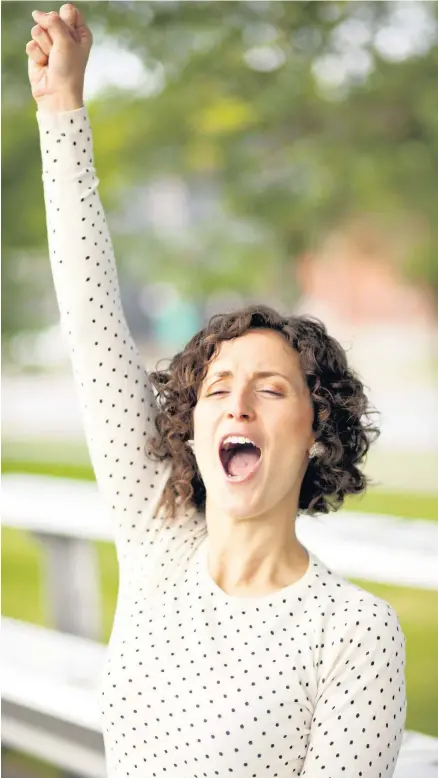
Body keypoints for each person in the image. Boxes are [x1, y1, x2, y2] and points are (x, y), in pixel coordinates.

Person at [27, 6, 407, 776]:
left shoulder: (355, 633)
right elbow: (92, 324)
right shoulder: (158, 537)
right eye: (216, 390)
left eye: (270, 390)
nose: (235, 404)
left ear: (317, 431)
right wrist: (62, 110)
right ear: (192, 431)